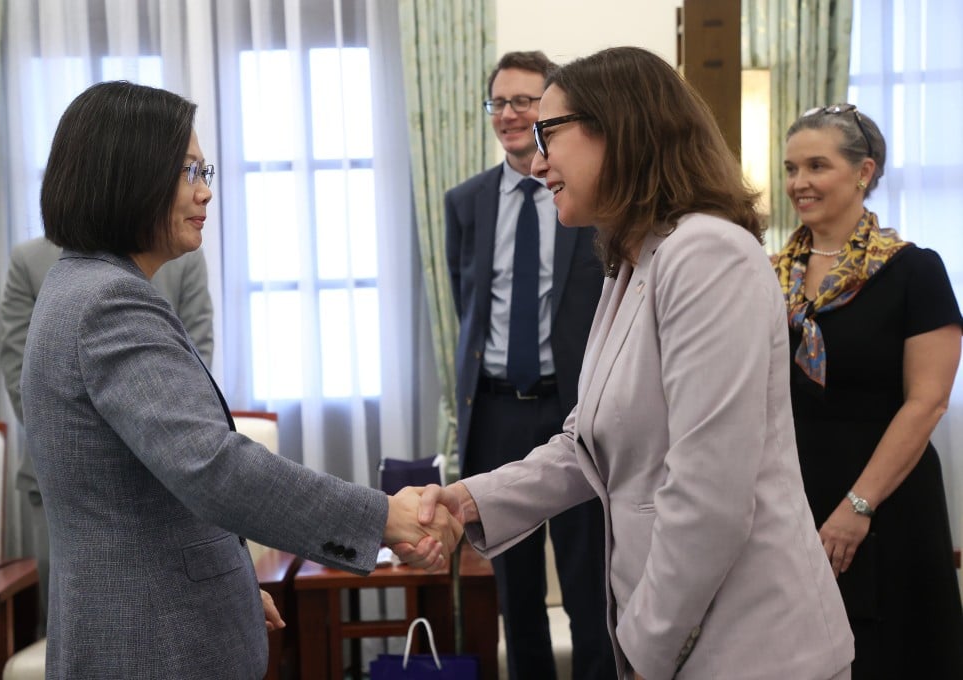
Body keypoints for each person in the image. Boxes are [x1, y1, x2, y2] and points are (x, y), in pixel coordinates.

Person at [405, 47, 854, 680]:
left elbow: (709, 500)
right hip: (687, 639)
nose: (536, 163)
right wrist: (469, 501)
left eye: (547, 134)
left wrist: (643, 653)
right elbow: (585, 442)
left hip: (752, 644)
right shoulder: (634, 262)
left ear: (617, 128)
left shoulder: (707, 255)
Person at [21, 80, 459, 678]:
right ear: (129, 175)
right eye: (187, 172)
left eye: (206, 170)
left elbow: (142, 490)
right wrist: (383, 517)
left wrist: (225, 588)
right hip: (153, 650)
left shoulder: (75, 286)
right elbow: (212, 468)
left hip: (154, 625)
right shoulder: (109, 304)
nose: (205, 192)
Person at [775, 104, 963, 677]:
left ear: (863, 172)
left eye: (816, 165)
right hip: (795, 498)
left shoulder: (914, 271)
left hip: (887, 503)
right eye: (790, 168)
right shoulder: (767, 274)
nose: (799, 183)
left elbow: (926, 401)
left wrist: (859, 506)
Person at [444, 50, 614, 680]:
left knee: (587, 578)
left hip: (570, 406)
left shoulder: (590, 197)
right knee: (512, 593)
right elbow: (469, 308)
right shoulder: (465, 202)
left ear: (550, 111)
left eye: (525, 101)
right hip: (492, 409)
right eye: (499, 102)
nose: (511, 114)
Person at [0, 238, 214, 631]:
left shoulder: (182, 256)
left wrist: (155, 439)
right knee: (80, 626)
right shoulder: (29, 260)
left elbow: (197, 354)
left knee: (171, 626)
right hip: (60, 477)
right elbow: (19, 368)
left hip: (168, 475)